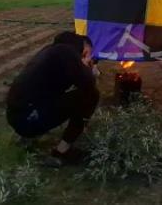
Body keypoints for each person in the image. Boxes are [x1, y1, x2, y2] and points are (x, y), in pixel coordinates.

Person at [6, 31, 99, 164]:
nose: (89, 58)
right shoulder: (67, 52)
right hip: (28, 119)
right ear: (84, 48)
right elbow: (89, 85)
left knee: (59, 94)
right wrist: (90, 71)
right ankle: (61, 152)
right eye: (88, 54)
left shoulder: (50, 52)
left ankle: (26, 137)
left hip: (17, 116)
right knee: (92, 95)